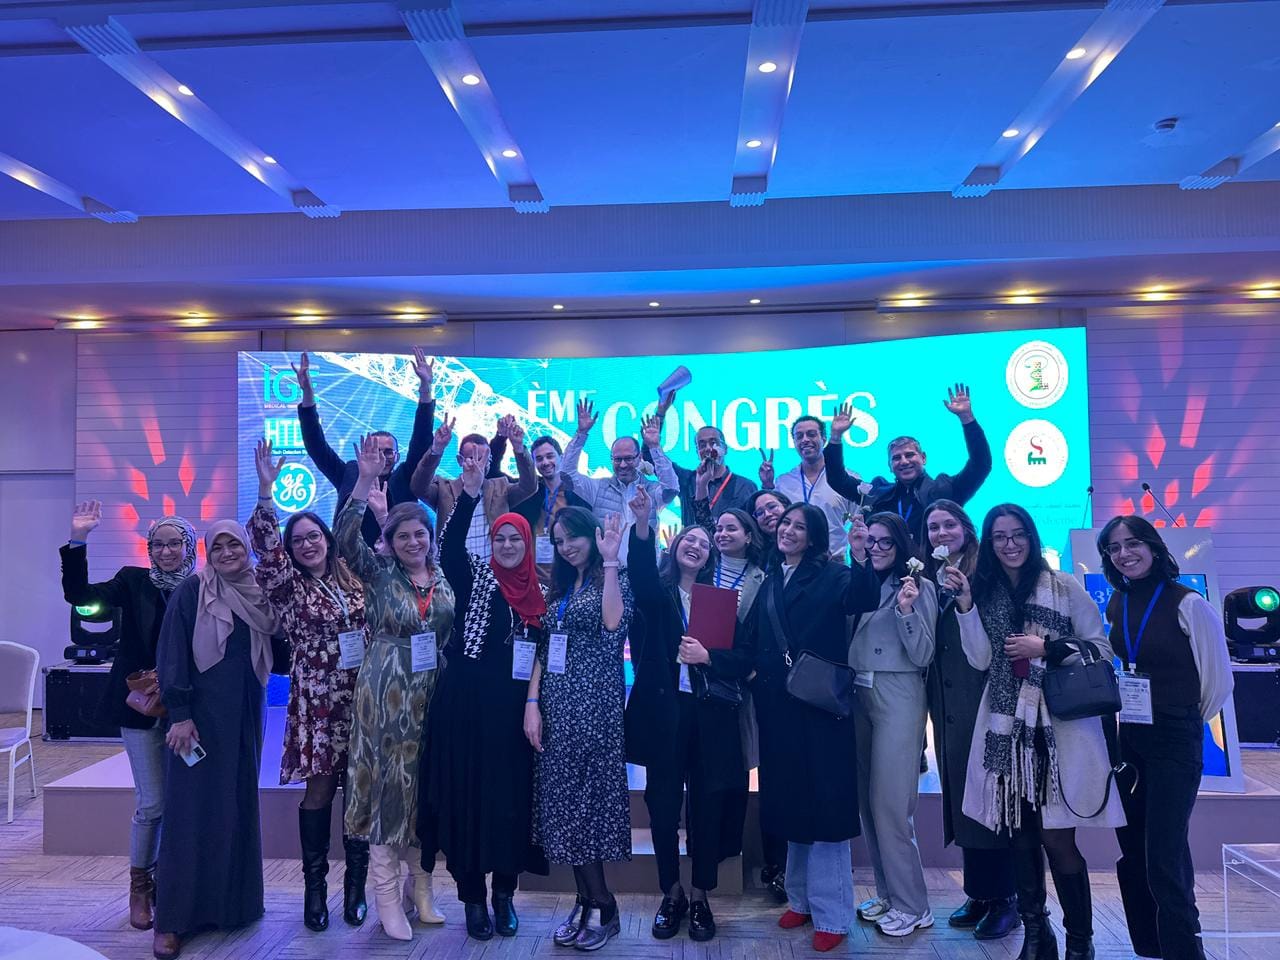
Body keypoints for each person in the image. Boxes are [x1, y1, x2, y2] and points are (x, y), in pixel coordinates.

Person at [955, 504, 1123, 960]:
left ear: (1031, 537)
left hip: (1058, 729)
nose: (1009, 544)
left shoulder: (1063, 585)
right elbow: (979, 658)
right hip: (1005, 728)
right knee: (1020, 834)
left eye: (1018, 535)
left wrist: (1045, 647)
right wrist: (966, 605)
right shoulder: (984, 592)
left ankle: (1080, 942)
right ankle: (1037, 934)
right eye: (999, 537)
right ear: (989, 543)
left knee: (1058, 839)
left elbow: (1102, 649)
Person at [720, 502, 879, 953]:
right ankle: (801, 900)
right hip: (778, 710)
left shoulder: (834, 575)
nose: (788, 530)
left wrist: (861, 555)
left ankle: (833, 916)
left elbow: (864, 599)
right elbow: (751, 641)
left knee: (825, 812)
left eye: (799, 526)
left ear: (814, 537)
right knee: (791, 805)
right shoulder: (772, 579)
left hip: (821, 708)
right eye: (785, 523)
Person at [417, 458, 548, 941]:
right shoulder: (475, 576)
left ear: (527, 543)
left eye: (516, 539)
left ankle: (504, 896)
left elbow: (544, 654)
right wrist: (470, 494)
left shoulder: (539, 593)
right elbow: (450, 546)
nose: (508, 546)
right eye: (500, 539)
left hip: (514, 714)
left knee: (509, 802)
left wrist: (533, 704)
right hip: (466, 707)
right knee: (467, 799)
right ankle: (472, 899)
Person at [336, 435, 456, 941]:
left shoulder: (442, 576)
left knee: (423, 789)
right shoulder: (380, 572)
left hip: (433, 693)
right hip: (386, 691)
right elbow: (345, 539)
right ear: (390, 540)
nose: (413, 542)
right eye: (402, 535)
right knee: (389, 786)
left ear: (430, 536)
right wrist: (363, 482)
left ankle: (419, 887)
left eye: (419, 534)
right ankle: (384, 894)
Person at [1098, 516, 1233, 960]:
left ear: (1154, 547)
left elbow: (1217, 682)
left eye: (1133, 543)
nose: (1124, 554)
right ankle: (1153, 945)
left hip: (1175, 740)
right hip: (1132, 739)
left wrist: (1181, 719)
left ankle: (1185, 951)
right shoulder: (1119, 601)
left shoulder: (1188, 603)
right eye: (1114, 548)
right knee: (1136, 848)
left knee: (1164, 856)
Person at [247, 439, 368, 932]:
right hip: (317, 700)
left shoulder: (352, 577)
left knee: (358, 794)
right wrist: (265, 491)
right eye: (298, 540)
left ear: (327, 539)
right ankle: (314, 890)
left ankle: (356, 889)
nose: (307, 544)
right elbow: (265, 547)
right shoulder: (286, 585)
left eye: (313, 535)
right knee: (319, 792)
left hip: (361, 697)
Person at [60, 503, 196, 935]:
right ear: (149, 549)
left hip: (188, 714)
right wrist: (79, 538)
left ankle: (178, 884)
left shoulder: (201, 588)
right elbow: (80, 597)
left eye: (174, 544)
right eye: (158, 545)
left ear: (190, 546)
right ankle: (141, 886)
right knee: (153, 802)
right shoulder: (132, 581)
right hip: (140, 709)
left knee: (187, 802)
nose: (166, 552)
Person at [151, 520, 281, 960]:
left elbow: (279, 652)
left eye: (234, 545)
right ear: (207, 551)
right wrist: (181, 715)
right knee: (190, 812)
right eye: (218, 546)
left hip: (244, 716)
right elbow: (171, 655)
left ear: (246, 548)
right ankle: (173, 921)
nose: (227, 553)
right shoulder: (193, 592)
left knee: (236, 805)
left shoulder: (259, 592)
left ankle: (233, 906)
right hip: (199, 721)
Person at [624, 488, 746, 943]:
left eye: (704, 543)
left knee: (708, 807)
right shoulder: (657, 595)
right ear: (674, 546)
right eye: (688, 540)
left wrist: (708, 656)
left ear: (711, 555)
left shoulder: (720, 600)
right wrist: (642, 524)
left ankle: (700, 896)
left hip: (709, 715)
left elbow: (740, 657)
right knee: (661, 806)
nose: (696, 546)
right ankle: (670, 893)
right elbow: (639, 572)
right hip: (664, 715)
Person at [524, 506, 634, 952]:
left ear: (593, 535)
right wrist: (532, 703)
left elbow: (613, 624)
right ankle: (585, 899)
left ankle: (603, 905)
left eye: (573, 537)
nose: (567, 547)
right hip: (556, 706)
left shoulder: (615, 577)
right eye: (559, 541)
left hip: (594, 709)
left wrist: (609, 561)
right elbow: (544, 647)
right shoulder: (562, 586)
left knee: (585, 809)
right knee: (564, 808)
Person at [922, 499, 1018, 941]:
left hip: (982, 698)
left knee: (989, 798)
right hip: (947, 701)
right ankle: (979, 891)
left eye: (948, 525)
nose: (940, 533)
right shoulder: (930, 575)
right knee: (963, 796)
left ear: (966, 528)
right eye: (933, 527)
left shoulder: (986, 573)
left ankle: (1006, 898)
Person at [849, 512, 937, 937]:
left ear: (901, 546)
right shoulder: (859, 581)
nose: (877, 548)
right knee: (869, 804)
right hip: (858, 693)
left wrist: (905, 610)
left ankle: (913, 905)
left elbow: (924, 654)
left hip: (899, 693)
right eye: (871, 540)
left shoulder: (919, 587)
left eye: (886, 541)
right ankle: (889, 893)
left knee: (891, 805)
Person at [294, 348, 437, 547]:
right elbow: (316, 446)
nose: (382, 457)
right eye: (376, 451)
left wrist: (425, 389)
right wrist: (308, 395)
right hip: (350, 562)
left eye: (388, 452)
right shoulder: (349, 474)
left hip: (399, 560)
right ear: (365, 453)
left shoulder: (405, 476)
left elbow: (421, 439)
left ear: (397, 456)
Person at [824, 387, 992, 545]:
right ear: (890, 466)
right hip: (883, 564)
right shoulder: (876, 494)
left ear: (923, 458)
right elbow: (837, 479)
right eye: (896, 458)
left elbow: (980, 465)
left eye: (910, 455)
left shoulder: (945, 491)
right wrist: (836, 437)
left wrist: (967, 419)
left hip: (933, 566)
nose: (904, 461)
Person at [560, 400, 679, 558]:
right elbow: (566, 473)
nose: (623, 465)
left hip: (646, 565)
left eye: (628, 459)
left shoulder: (652, 490)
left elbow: (671, 488)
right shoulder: (598, 488)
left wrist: (655, 447)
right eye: (617, 459)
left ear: (639, 457)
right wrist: (581, 434)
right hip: (606, 566)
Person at [409, 414, 537, 560]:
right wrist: (436, 449)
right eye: (472, 458)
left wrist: (519, 448)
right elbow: (418, 487)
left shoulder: (500, 487)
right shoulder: (444, 489)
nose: (479, 464)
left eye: (484, 459)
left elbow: (529, 486)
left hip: (493, 568)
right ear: (460, 460)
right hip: (454, 567)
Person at [760, 416, 855, 557]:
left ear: (824, 439)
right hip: (794, 560)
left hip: (834, 560)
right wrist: (767, 485)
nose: (805, 440)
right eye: (799, 436)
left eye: (811, 434)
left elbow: (859, 521)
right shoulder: (783, 482)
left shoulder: (848, 479)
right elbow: (774, 522)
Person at [644, 419, 757, 526]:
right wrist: (654, 444)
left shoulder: (746, 486)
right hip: (693, 540)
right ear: (697, 452)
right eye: (702, 445)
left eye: (713, 443)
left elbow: (753, 526)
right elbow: (651, 459)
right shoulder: (686, 481)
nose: (708, 448)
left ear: (725, 449)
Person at [512, 434, 590, 583]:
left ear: (561, 457)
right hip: (534, 579)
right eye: (539, 459)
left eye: (550, 456)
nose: (545, 462)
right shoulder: (529, 494)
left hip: (569, 576)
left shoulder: (577, 494)